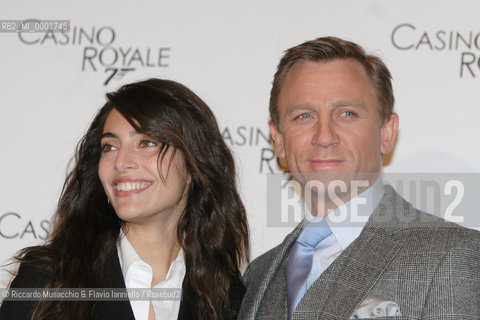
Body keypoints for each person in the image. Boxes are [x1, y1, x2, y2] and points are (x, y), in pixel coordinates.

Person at [238, 37, 480, 319]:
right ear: (278, 139)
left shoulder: (451, 256)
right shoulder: (258, 276)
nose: (324, 136)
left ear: (386, 132)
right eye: (304, 116)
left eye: (347, 114)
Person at [0, 79, 249, 320]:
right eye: (110, 146)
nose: (121, 162)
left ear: (194, 166)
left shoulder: (228, 298)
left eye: (147, 143)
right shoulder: (48, 280)